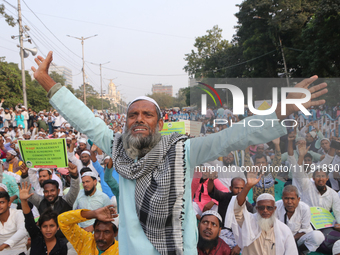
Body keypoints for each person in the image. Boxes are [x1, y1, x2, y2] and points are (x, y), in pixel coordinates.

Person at [32, 51, 327, 254]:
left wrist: (278, 111)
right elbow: (85, 118)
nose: (139, 119)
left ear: (160, 123)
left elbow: (232, 137)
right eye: (133, 114)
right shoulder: (117, 147)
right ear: (125, 123)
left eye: (147, 114)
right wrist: (48, 81)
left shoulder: (183, 150)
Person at [225, 170, 298, 255]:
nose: (265, 210)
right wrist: (247, 187)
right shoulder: (248, 222)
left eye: (269, 208)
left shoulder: (284, 230)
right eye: (261, 207)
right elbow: (237, 208)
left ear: (274, 209)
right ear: (256, 208)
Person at [19, 182, 67, 255]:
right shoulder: (36, 237)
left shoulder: (62, 245)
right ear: (40, 227)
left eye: (52, 226)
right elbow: (29, 219)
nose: (48, 230)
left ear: (58, 227)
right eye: (44, 226)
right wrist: (24, 201)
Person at [208, 176, 252, 254]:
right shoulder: (225, 197)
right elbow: (211, 191)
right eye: (236, 188)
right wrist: (211, 179)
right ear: (231, 188)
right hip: (222, 233)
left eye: (242, 188)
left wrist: (239, 245)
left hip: (239, 237)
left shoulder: (248, 207)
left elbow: (249, 229)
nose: (239, 191)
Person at [276, 185, 324, 253]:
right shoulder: (276, 207)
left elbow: (305, 229)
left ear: (298, 199)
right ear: (282, 198)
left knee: (318, 236)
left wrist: (291, 240)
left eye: (292, 198)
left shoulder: (305, 208)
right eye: (286, 198)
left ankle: (300, 251)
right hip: (280, 240)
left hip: (297, 239)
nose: (289, 202)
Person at [73, 168, 112, 232]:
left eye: (87, 181)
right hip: (80, 231)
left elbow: (109, 217)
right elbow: (72, 210)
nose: (85, 184)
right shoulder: (79, 194)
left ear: (95, 182)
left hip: (97, 231)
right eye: (83, 182)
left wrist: (93, 227)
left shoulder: (104, 197)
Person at [0, 186, 28, 255]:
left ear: (9, 203)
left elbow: (22, 231)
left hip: (19, 252)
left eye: (2, 202)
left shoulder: (18, 213)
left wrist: (4, 245)